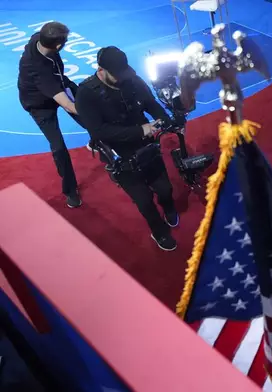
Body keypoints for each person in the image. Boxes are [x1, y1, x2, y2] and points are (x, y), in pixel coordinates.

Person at [74, 46, 179, 251]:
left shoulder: (131, 79)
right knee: (144, 200)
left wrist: (165, 119)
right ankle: (159, 231)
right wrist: (141, 130)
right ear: (101, 70)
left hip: (147, 146)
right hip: (120, 156)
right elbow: (98, 132)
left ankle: (168, 207)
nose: (122, 78)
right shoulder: (86, 93)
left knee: (165, 188)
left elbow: (150, 103)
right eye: (117, 74)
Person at [18, 21, 85, 208]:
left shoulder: (38, 39)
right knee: (59, 147)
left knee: (90, 120)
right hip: (40, 105)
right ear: (58, 46)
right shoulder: (39, 72)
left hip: (60, 82)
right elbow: (69, 106)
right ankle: (70, 190)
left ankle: (101, 146)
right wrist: (88, 111)